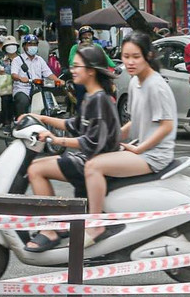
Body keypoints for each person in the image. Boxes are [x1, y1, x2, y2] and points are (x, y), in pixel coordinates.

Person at [22, 45, 122, 252]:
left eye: (77, 66)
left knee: (35, 170)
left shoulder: (101, 100)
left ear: (91, 70)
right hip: (86, 158)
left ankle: (50, 230)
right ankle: (56, 225)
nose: (73, 70)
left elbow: (92, 142)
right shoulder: (90, 97)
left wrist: (55, 141)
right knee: (36, 166)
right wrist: (40, 118)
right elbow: (73, 125)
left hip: (93, 162)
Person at [83, 32, 177, 245]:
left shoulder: (156, 84)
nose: (130, 62)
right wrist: (110, 138)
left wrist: (139, 149)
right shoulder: (135, 82)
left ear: (148, 56)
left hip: (154, 155)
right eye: (126, 57)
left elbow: (167, 126)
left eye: (136, 56)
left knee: (93, 167)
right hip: (141, 149)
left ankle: (96, 225)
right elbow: (135, 121)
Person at [7, 33, 59, 117]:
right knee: (23, 101)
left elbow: (49, 74)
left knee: (48, 101)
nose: (33, 46)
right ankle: (20, 123)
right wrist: (21, 78)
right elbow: (14, 75)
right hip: (22, 89)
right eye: (30, 44)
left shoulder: (40, 60)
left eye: (35, 44)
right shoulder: (17, 60)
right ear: (24, 46)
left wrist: (58, 80)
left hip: (37, 89)